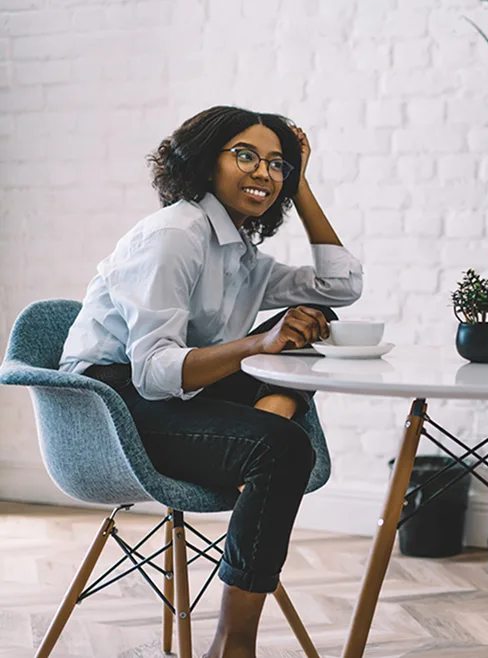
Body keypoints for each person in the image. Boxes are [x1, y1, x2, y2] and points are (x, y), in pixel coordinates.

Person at [59, 105, 363, 658]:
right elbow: (153, 374)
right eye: (246, 156)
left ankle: (261, 439)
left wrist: (301, 184)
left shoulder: (240, 251)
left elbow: (339, 287)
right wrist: (256, 345)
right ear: (205, 162)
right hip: (110, 404)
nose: (263, 173)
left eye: (277, 164)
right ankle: (232, 646)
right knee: (282, 450)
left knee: (316, 322)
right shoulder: (175, 235)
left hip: (178, 393)